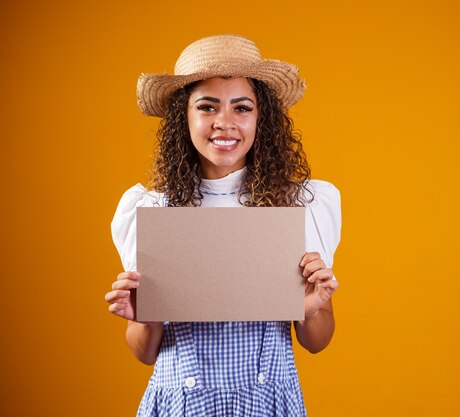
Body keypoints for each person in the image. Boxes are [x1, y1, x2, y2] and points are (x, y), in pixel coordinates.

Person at [104, 34, 341, 416]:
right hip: (180, 405)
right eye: (207, 107)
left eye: (242, 108)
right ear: (185, 116)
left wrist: (312, 306)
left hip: (269, 404)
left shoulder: (302, 205)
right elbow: (144, 353)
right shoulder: (151, 209)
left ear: (261, 118)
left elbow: (316, 342)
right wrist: (143, 315)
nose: (224, 123)